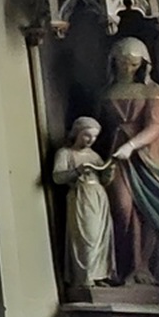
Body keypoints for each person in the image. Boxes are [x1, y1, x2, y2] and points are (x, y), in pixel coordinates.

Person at [98, 36, 159, 287]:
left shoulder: (152, 91)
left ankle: (141, 267)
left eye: (134, 64)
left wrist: (131, 145)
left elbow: (155, 125)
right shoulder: (105, 92)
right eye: (123, 63)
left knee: (149, 211)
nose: (127, 68)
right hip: (117, 152)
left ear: (143, 64)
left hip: (148, 155)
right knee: (123, 208)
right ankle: (124, 265)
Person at [48, 116, 113, 295]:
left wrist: (109, 172)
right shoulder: (65, 153)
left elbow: (104, 179)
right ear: (77, 133)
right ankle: (83, 277)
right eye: (86, 136)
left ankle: (98, 275)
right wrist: (77, 171)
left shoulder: (94, 156)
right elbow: (57, 177)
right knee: (87, 236)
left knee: (100, 237)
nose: (90, 140)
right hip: (81, 196)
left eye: (94, 137)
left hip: (99, 196)